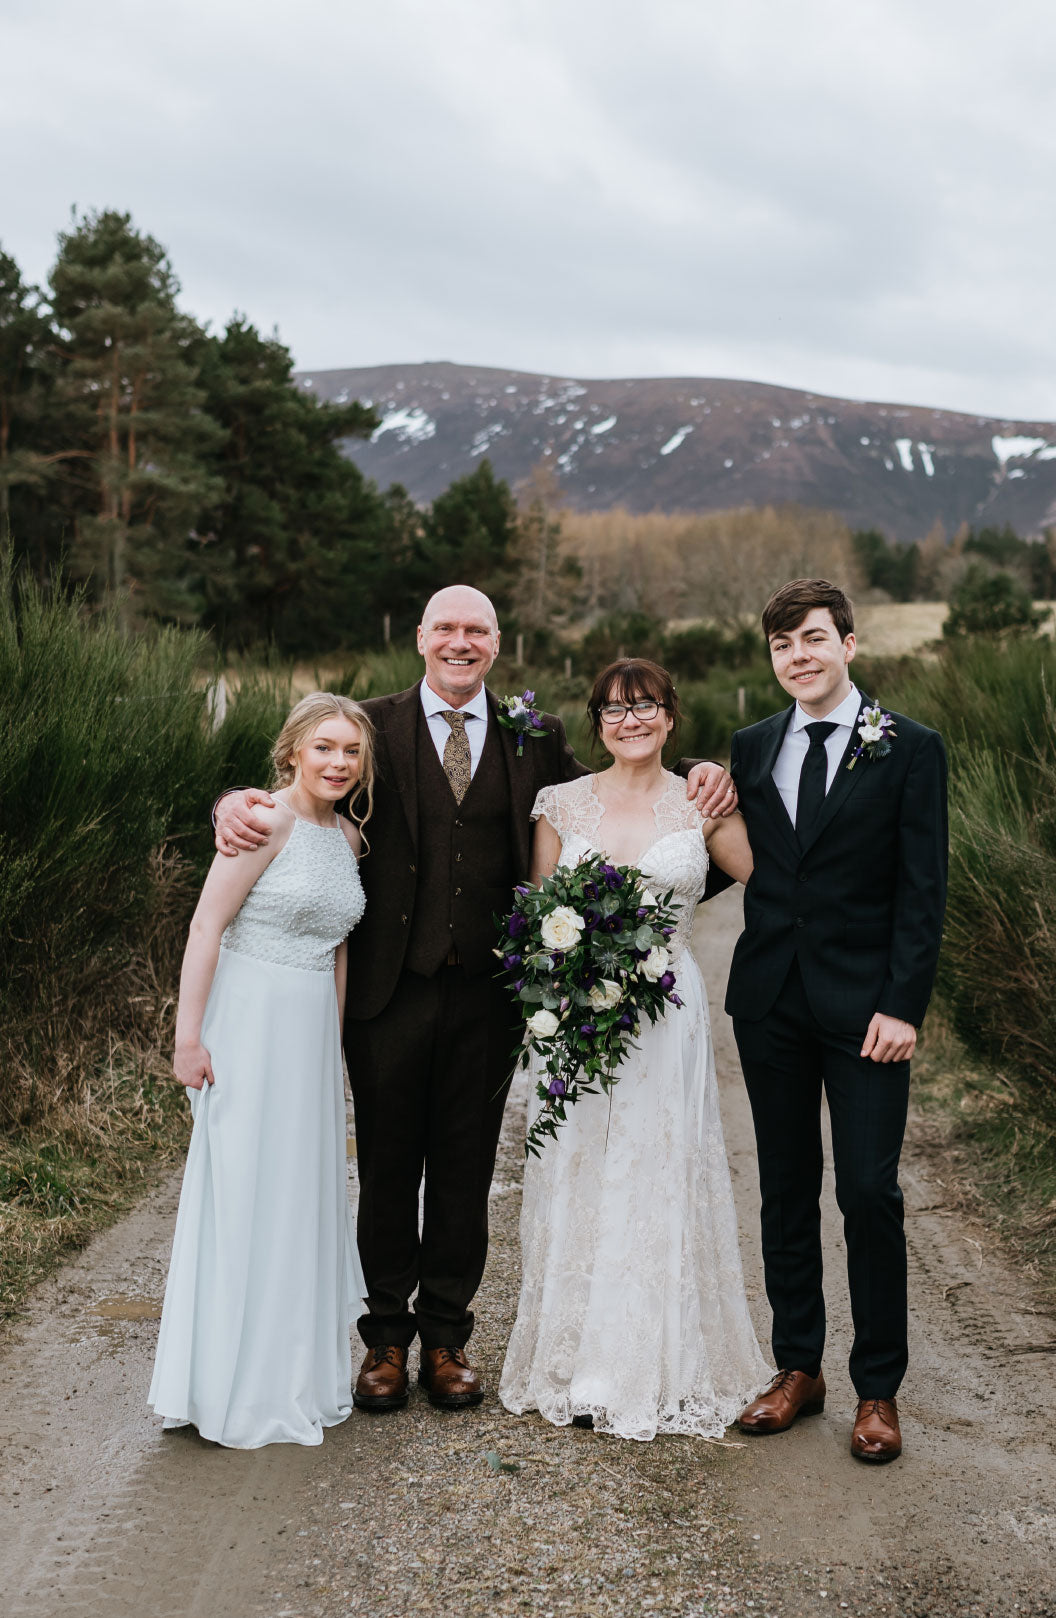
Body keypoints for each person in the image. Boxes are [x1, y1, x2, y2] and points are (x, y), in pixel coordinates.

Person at [212, 586, 736, 1412]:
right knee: (387, 1168)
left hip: (492, 997)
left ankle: (447, 1339)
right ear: (421, 637)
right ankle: (384, 1340)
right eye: (446, 629)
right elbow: (307, 787)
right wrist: (231, 804)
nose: (461, 643)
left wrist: (702, 777)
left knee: (465, 1172)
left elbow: (624, 803)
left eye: (477, 631)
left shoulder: (539, 737)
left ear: (497, 643)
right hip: (387, 991)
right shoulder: (373, 725)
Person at [499, 659, 772, 1440]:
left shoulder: (702, 804)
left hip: (667, 1012)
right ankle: (578, 1359)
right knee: (580, 1163)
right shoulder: (561, 803)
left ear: (672, 718)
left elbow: (773, 877)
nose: (632, 721)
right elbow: (536, 913)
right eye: (615, 710)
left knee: (654, 1168)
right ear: (597, 723)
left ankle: (646, 1363)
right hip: (580, 1012)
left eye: (647, 706)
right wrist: (555, 988)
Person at [726, 579, 948, 1464]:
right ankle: (798, 1369)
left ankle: (879, 1391)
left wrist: (904, 1002)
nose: (799, 657)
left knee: (867, 1191)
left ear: (849, 644)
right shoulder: (749, 748)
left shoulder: (909, 749)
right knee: (785, 1186)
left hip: (868, 1012)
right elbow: (722, 857)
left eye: (813, 638)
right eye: (783, 645)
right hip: (771, 1001)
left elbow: (923, 891)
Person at [149, 693, 371, 1448]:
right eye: (324, 748)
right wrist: (188, 1037)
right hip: (247, 1021)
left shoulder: (348, 838)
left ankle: (290, 1373)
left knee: (297, 1196)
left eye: (350, 752)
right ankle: (222, 1384)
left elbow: (339, 950)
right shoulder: (262, 821)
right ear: (293, 753)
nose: (338, 763)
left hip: (308, 1033)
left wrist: (333, 1054)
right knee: (241, 1192)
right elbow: (207, 924)